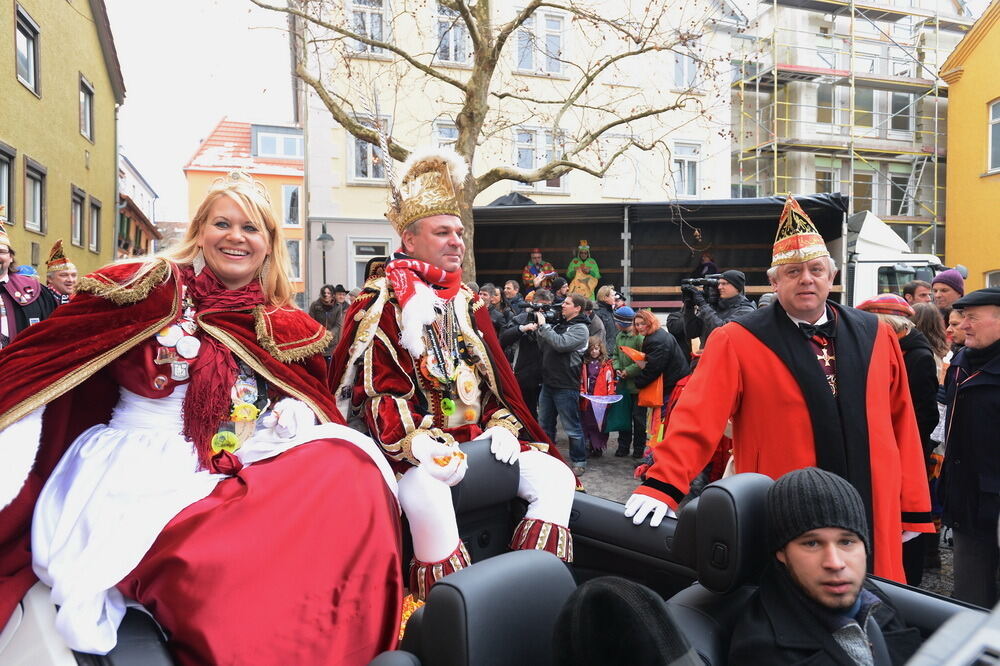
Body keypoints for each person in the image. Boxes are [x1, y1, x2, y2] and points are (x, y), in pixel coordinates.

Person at [0, 173, 402, 663]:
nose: (236, 236)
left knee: (349, 464)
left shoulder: (280, 323)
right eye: (222, 223)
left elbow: (296, 398)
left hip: (230, 459)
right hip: (135, 471)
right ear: (200, 230)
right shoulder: (145, 288)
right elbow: (38, 359)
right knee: (221, 566)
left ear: (269, 244)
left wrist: (293, 413)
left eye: (251, 228)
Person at [624, 196, 933, 582]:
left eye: (816, 269)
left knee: (876, 609)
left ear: (831, 276)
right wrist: (663, 483)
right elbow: (697, 418)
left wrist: (913, 503)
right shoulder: (737, 340)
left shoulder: (877, 335)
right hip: (786, 499)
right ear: (774, 281)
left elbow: (901, 424)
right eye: (793, 271)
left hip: (874, 498)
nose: (807, 278)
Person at [329, 147, 576, 601]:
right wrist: (420, 443)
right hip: (413, 454)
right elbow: (380, 395)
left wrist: (502, 425)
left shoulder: (468, 301)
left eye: (459, 232)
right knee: (428, 494)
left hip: (479, 442)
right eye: (442, 232)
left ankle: (531, 594)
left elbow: (497, 388)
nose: (456, 242)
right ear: (408, 239)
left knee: (555, 478)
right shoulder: (378, 304)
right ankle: (443, 612)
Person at [729, 468, 923, 666]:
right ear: (781, 553)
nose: (835, 563)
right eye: (811, 543)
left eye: (846, 542)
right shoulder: (764, 653)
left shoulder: (874, 599)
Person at [856, 294, 939, 587]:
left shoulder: (918, 357)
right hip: (887, 451)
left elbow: (924, 415)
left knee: (907, 523)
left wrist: (895, 442)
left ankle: (907, 588)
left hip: (907, 454)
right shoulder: (899, 351)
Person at [939, 287, 1000, 608]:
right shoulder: (962, 362)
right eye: (963, 318)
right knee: (969, 594)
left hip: (995, 496)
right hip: (966, 497)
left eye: (973, 318)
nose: (964, 325)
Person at [535, 293, 592, 475]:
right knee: (545, 424)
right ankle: (547, 457)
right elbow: (545, 345)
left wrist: (544, 326)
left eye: (567, 304)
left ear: (578, 308)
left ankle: (579, 461)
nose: (563, 306)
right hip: (548, 382)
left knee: (572, 428)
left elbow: (560, 344)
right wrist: (539, 329)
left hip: (566, 384)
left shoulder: (581, 329)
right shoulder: (560, 325)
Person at [631, 309, 690, 455]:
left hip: (671, 387)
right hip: (671, 384)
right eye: (637, 324)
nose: (639, 327)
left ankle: (658, 457)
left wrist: (638, 382)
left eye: (642, 324)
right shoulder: (657, 336)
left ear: (649, 323)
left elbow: (653, 368)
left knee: (662, 423)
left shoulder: (656, 340)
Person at [0, 207, 57, 348]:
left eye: (1, 251)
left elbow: (52, 334)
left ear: (11, 257)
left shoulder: (36, 292)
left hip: (20, 367)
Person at [500, 289, 553, 420]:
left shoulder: (554, 319)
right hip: (526, 373)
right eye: (540, 306)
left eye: (546, 307)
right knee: (528, 413)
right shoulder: (521, 319)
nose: (542, 311)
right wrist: (522, 328)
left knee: (548, 417)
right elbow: (503, 339)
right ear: (534, 304)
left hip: (550, 374)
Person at [681, 268, 756, 347]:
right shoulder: (713, 306)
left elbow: (722, 332)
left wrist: (702, 304)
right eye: (719, 284)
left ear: (737, 287)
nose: (719, 287)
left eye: (724, 284)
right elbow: (691, 332)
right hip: (709, 356)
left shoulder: (746, 310)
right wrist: (689, 307)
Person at [608, 306, 645, 458]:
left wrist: (628, 371)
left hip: (636, 385)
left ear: (622, 322)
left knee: (638, 419)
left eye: (616, 320)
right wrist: (617, 367)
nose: (614, 323)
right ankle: (623, 446)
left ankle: (638, 448)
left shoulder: (639, 338)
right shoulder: (619, 336)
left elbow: (642, 360)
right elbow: (615, 354)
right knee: (624, 416)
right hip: (623, 384)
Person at [580, 336, 615, 458]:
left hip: (601, 400)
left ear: (601, 349)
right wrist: (582, 391)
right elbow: (581, 381)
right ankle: (589, 445)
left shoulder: (605, 365)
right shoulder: (584, 364)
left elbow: (610, 381)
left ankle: (598, 446)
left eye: (596, 348)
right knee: (587, 423)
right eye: (591, 349)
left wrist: (610, 396)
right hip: (588, 399)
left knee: (600, 424)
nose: (594, 351)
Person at [308, 283, 349, 357]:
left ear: (332, 294)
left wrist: (329, 334)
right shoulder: (315, 305)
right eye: (324, 293)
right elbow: (311, 321)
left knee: (330, 365)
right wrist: (320, 334)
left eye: (328, 293)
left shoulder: (338, 306)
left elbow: (338, 324)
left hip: (332, 342)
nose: (326, 295)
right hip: (318, 342)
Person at [45, 239, 78, 305]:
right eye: (64, 275)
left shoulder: (77, 300)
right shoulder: (42, 299)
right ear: (50, 278)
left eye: (73, 275)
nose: (70, 280)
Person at [594, 285, 618, 353]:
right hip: (602, 353)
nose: (615, 297)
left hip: (613, 352)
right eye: (613, 295)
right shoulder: (597, 313)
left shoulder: (613, 312)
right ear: (605, 298)